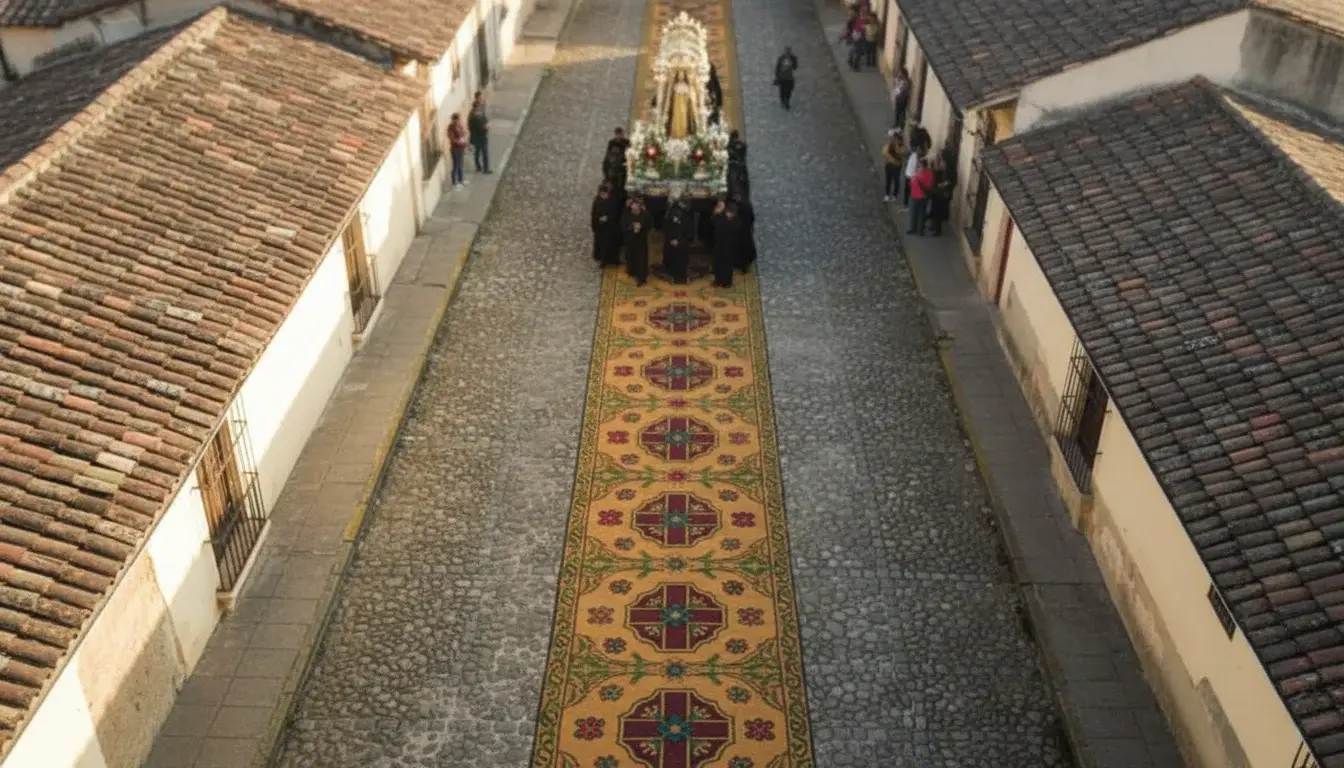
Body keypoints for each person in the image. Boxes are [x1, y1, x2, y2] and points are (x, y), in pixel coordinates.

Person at [661, 196, 693, 283]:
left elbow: (689, 234)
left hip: (682, 245)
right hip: (670, 243)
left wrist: (679, 241)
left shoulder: (687, 220)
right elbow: (665, 231)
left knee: (682, 260)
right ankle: (671, 275)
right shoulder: (668, 220)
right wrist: (671, 240)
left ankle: (682, 276)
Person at [622, 195, 652, 285]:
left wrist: (641, 229)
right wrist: (631, 227)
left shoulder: (645, 215)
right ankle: (632, 270)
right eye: (633, 205)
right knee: (631, 257)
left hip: (640, 241)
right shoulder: (626, 214)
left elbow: (649, 226)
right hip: (630, 240)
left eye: (636, 205)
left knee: (641, 259)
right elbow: (623, 226)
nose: (634, 207)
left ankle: (641, 278)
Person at [710, 200, 739, 288]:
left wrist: (718, 216)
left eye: (730, 213)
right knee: (718, 262)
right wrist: (716, 213)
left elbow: (725, 227)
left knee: (727, 264)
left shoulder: (736, 222)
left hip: (730, 246)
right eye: (727, 212)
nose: (728, 214)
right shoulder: (722, 217)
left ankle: (727, 282)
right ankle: (718, 280)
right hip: (719, 244)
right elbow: (713, 222)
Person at [591, 183, 622, 267]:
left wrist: (608, 218)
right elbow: (594, 214)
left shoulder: (612, 202)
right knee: (602, 245)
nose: (604, 196)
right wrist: (597, 221)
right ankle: (602, 259)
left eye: (605, 194)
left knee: (611, 245)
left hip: (610, 229)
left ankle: (612, 260)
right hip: (600, 228)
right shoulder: (597, 201)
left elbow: (616, 214)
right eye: (602, 194)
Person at [928, 155, 957, 236]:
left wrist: (942, 185)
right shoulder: (942, 171)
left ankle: (937, 230)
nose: (941, 163)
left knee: (938, 212)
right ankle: (933, 225)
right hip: (938, 193)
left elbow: (950, 182)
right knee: (934, 210)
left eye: (942, 162)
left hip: (943, 195)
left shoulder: (951, 172)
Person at [907, 158, 935, 236]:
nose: (918, 167)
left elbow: (928, 186)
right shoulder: (922, 172)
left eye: (920, 165)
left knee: (919, 214)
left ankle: (918, 229)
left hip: (920, 196)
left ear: (923, 165)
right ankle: (916, 229)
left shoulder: (926, 174)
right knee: (916, 213)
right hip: (916, 195)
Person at [667, 70, 697, 139]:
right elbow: (673, 98)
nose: (681, 77)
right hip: (676, 106)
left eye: (682, 76)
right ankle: (675, 134)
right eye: (680, 76)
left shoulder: (686, 87)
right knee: (676, 119)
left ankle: (683, 134)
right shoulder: (676, 86)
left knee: (683, 119)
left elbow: (688, 98)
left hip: (683, 106)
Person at [732, 191, 756, 273]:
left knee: (740, 249)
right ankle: (746, 266)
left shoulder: (738, 208)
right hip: (747, 230)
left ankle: (740, 265)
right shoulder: (748, 205)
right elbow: (752, 218)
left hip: (740, 231)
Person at [882, 130, 905, 202]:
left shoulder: (901, 147)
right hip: (889, 165)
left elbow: (900, 155)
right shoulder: (891, 144)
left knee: (896, 180)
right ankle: (887, 194)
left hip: (897, 166)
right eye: (895, 139)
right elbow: (884, 152)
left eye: (897, 139)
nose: (895, 140)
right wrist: (891, 158)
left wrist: (891, 157)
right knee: (888, 179)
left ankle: (895, 195)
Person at [468, 102, 491, 174]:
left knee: (478, 152)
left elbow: (486, 120)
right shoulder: (474, 117)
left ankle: (479, 167)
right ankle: (485, 169)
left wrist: (487, 125)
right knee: (484, 153)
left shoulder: (479, 114)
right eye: (478, 107)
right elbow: (481, 127)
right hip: (479, 137)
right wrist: (486, 126)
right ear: (476, 107)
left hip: (480, 136)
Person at [446, 113, 468, 188]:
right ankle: (454, 182)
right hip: (455, 148)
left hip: (461, 148)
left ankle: (461, 180)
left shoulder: (459, 126)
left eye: (459, 119)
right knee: (456, 165)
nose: (459, 121)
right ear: (454, 120)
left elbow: (463, 133)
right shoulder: (451, 127)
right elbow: (451, 138)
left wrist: (464, 139)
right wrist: (459, 141)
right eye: (457, 119)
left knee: (460, 164)